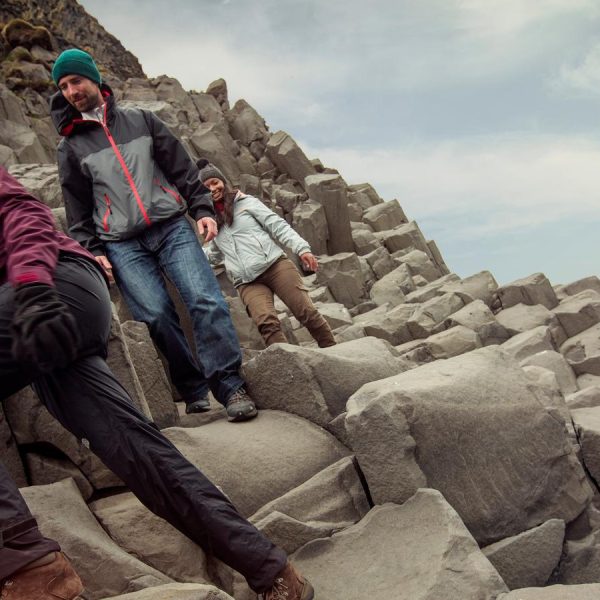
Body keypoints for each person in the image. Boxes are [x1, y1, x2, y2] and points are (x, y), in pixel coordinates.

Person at [0, 165, 314, 600]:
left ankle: (29, 565)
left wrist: (33, 288)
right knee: (136, 451)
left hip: (50, 285)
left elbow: (19, 212)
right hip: (44, 313)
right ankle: (270, 570)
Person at [49, 48, 255, 421]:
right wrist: (93, 250)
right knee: (156, 316)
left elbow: (181, 167)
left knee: (205, 300)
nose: (71, 91)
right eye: (63, 86)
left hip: (172, 225)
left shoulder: (140, 120)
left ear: (93, 78)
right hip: (122, 244)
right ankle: (192, 387)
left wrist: (203, 209)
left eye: (75, 81)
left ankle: (229, 386)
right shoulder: (70, 147)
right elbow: (77, 207)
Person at [197, 160, 336, 348]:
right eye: (206, 187)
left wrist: (301, 248)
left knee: (306, 312)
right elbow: (215, 254)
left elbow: (277, 226)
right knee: (267, 325)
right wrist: (191, 255)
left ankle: (334, 351)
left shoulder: (246, 203)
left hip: (275, 266)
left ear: (223, 182)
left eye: (215, 182)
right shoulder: (210, 220)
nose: (213, 188)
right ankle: (292, 369)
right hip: (246, 281)